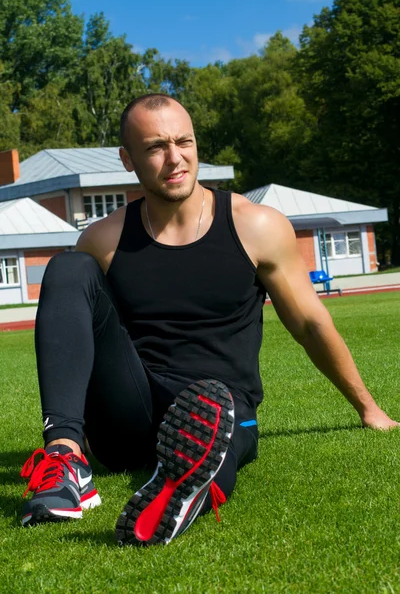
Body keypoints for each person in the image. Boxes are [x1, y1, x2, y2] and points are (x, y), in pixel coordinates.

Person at [20, 93, 399, 544]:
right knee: (67, 267)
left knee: (215, 415)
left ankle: (181, 491)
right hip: (132, 416)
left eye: (184, 142)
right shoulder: (103, 239)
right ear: (127, 159)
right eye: (156, 147)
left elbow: (310, 324)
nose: (175, 158)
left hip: (220, 409)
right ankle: (65, 462)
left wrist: (368, 408)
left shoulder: (254, 225)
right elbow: (81, 330)